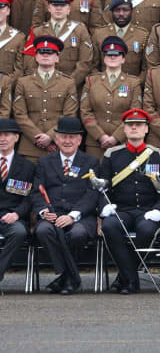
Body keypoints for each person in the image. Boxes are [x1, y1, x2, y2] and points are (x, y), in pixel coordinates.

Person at [99, 109, 160, 294]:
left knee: (146, 230)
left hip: (148, 210)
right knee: (109, 226)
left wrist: (159, 210)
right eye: (130, 125)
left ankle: (125, 278)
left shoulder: (158, 155)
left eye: (139, 125)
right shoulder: (112, 154)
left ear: (146, 129)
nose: (134, 128)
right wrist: (104, 206)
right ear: (124, 129)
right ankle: (130, 278)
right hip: (121, 209)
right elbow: (102, 186)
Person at [31, 116, 99, 295]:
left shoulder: (91, 162)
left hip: (81, 216)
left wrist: (72, 215)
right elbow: (36, 191)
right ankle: (70, 276)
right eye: (63, 137)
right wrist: (44, 212)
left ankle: (66, 278)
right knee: (43, 230)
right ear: (56, 139)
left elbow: (93, 194)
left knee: (78, 233)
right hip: (52, 215)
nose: (67, 141)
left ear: (80, 140)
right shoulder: (44, 162)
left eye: (72, 137)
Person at [13, 36, 78, 162]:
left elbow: (69, 114)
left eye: (50, 53)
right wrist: (38, 138)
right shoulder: (23, 82)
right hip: (29, 147)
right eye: (41, 52)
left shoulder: (68, 83)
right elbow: (19, 114)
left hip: (57, 146)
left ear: (57, 58)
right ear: (36, 57)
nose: (45, 55)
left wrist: (50, 136)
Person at [80, 36, 142, 159]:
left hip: (123, 142)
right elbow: (85, 111)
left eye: (117, 54)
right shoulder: (91, 81)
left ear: (123, 59)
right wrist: (100, 136)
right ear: (104, 58)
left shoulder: (133, 83)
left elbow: (134, 113)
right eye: (108, 54)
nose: (112, 57)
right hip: (95, 143)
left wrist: (116, 137)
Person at [0, 118, 36, 285]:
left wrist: (16, 214)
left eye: (6, 135)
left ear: (16, 137)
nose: (2, 139)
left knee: (19, 232)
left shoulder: (28, 166)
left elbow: (29, 198)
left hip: (13, 216)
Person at [91, 0, 150, 83]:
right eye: (117, 10)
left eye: (125, 10)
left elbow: (146, 68)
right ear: (111, 12)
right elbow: (93, 66)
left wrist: (135, 85)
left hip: (132, 88)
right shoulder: (99, 34)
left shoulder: (143, 35)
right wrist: (102, 84)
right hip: (105, 86)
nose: (121, 14)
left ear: (131, 11)